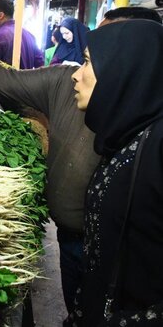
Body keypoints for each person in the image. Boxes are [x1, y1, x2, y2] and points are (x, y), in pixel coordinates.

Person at [0, 7, 163, 316]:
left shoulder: (152, 146)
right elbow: (3, 80)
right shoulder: (86, 100)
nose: (79, 70)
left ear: (128, 64)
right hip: (78, 248)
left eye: (94, 58)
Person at [66, 19, 163, 326]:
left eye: (87, 62)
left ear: (123, 70)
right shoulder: (123, 138)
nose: (76, 75)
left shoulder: (159, 147)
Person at [0, 0, 43, 69]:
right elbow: (40, 65)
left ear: (0, 15)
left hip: (4, 80)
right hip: (26, 80)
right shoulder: (30, 36)